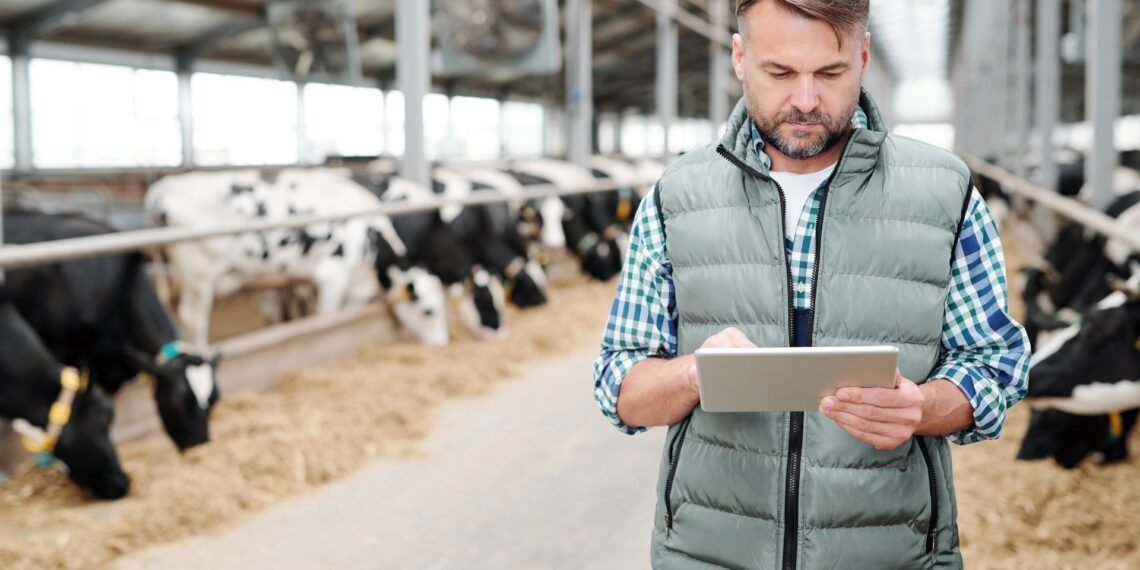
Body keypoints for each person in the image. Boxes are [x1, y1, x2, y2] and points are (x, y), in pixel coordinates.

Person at [591, 1, 1030, 568]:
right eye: (779, 73)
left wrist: (923, 406)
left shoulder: (946, 195)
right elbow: (618, 387)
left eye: (830, 72)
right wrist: (693, 373)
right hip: (708, 553)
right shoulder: (676, 196)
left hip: (890, 554)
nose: (804, 100)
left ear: (864, 56)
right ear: (740, 58)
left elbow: (996, 367)